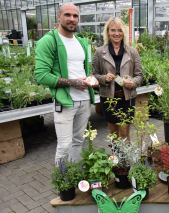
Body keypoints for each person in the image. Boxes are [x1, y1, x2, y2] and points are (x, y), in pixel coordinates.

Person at [35, 3, 99, 164]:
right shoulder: (49, 41)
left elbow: (81, 70)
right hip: (65, 101)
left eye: (75, 16)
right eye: (67, 15)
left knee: (78, 141)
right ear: (58, 17)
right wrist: (73, 83)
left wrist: (91, 78)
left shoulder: (81, 42)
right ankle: (62, 184)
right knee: (64, 145)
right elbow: (41, 75)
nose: (71, 19)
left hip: (84, 100)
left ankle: (73, 176)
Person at [92, 17, 143, 141]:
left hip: (127, 98)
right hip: (109, 99)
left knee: (125, 134)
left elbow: (139, 75)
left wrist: (133, 82)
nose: (116, 33)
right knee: (113, 134)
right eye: (113, 30)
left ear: (123, 32)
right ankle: (115, 159)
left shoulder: (132, 52)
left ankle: (125, 160)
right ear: (108, 32)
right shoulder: (99, 52)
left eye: (119, 30)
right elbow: (94, 75)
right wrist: (104, 78)